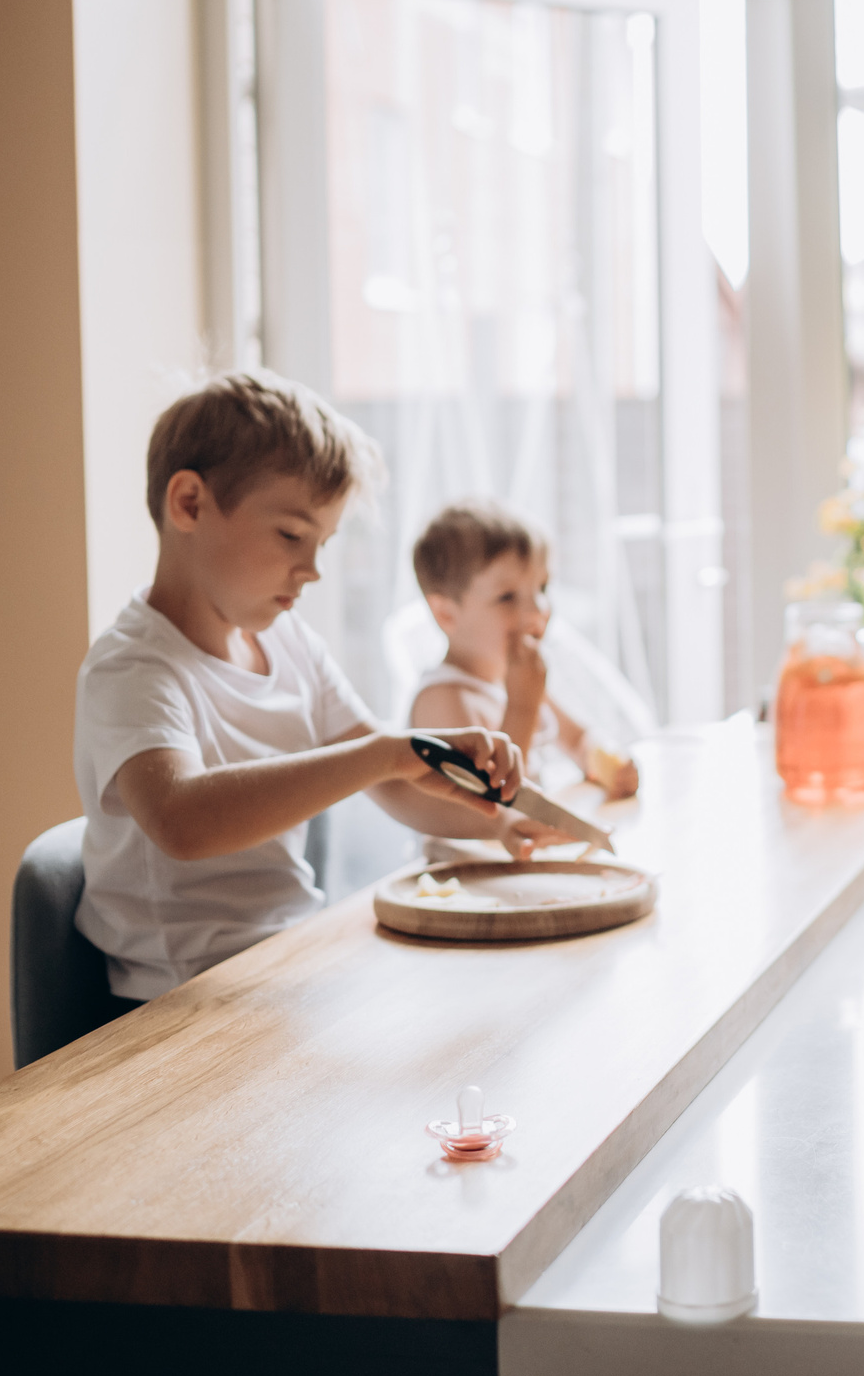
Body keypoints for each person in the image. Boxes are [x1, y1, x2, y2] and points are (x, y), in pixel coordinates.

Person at [74, 372, 561, 1007]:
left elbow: (396, 783)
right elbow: (182, 821)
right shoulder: (133, 667)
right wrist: (389, 752)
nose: (312, 569)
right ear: (189, 503)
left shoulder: (292, 644)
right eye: (290, 535)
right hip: (177, 1000)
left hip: (287, 967)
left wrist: (493, 823)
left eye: (322, 543)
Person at [405, 500, 639, 822]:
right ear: (446, 613)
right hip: (469, 868)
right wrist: (522, 707)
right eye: (507, 597)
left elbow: (578, 739)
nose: (537, 609)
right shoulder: (442, 699)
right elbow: (486, 808)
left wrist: (609, 760)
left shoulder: (515, 681)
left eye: (542, 587)